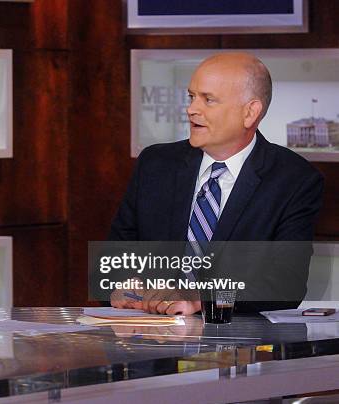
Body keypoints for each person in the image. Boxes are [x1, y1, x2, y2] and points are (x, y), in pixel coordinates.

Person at [109, 52, 324, 315]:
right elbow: (117, 257)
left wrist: (200, 297)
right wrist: (120, 284)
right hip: (149, 333)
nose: (191, 109)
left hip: (234, 345)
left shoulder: (294, 180)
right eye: (191, 97)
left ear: (250, 112)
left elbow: (284, 284)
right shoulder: (155, 164)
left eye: (208, 100)